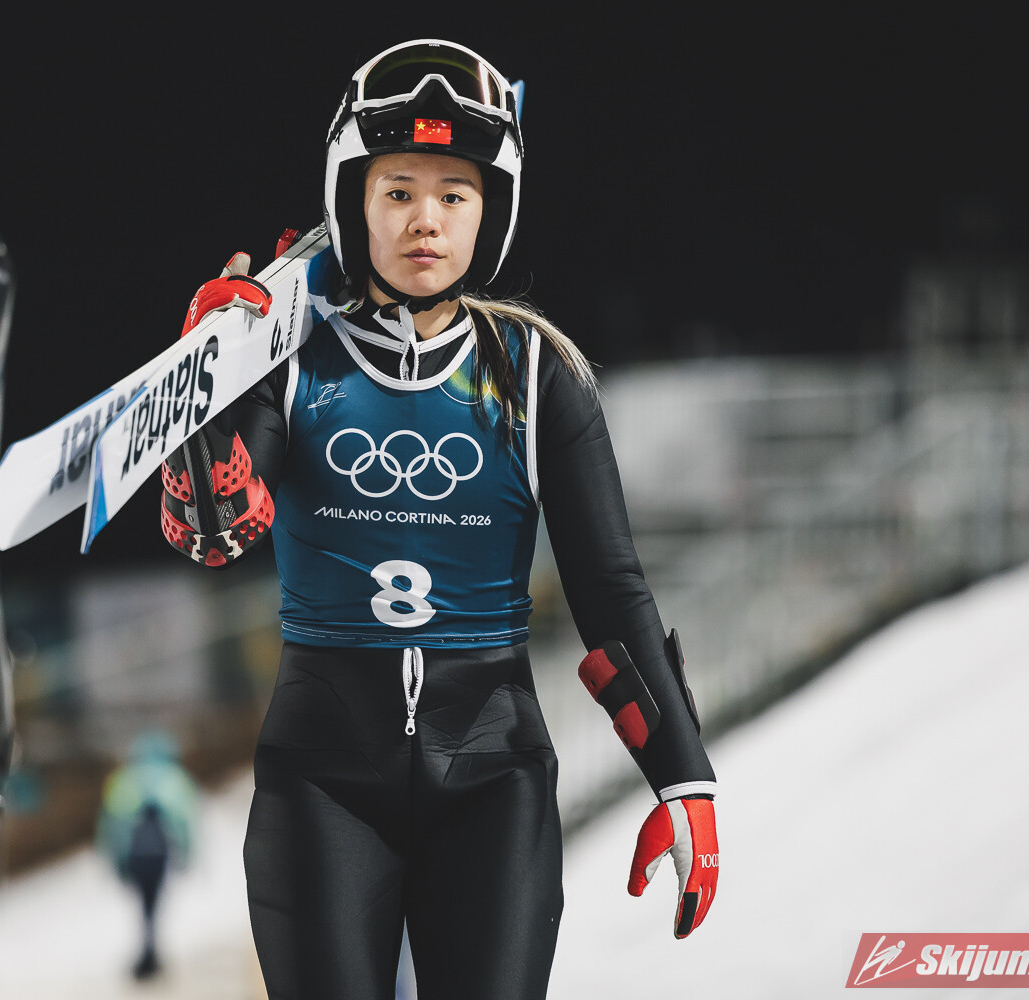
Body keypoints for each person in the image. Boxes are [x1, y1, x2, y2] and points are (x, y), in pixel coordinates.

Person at [158, 39, 719, 1000]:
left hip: (494, 780)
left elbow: (610, 593)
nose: (427, 219)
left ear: (490, 211)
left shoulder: (539, 374)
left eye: (455, 194)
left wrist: (684, 779)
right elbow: (212, 533)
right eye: (398, 191)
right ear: (354, 205)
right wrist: (204, 386)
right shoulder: (286, 362)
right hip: (321, 784)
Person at [95, 731, 200, 980]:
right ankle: (150, 952)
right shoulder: (174, 777)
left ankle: (148, 952)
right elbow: (183, 821)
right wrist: (185, 854)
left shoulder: (124, 778)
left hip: (135, 855)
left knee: (144, 904)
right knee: (154, 903)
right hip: (160, 855)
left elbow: (112, 823)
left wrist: (116, 860)